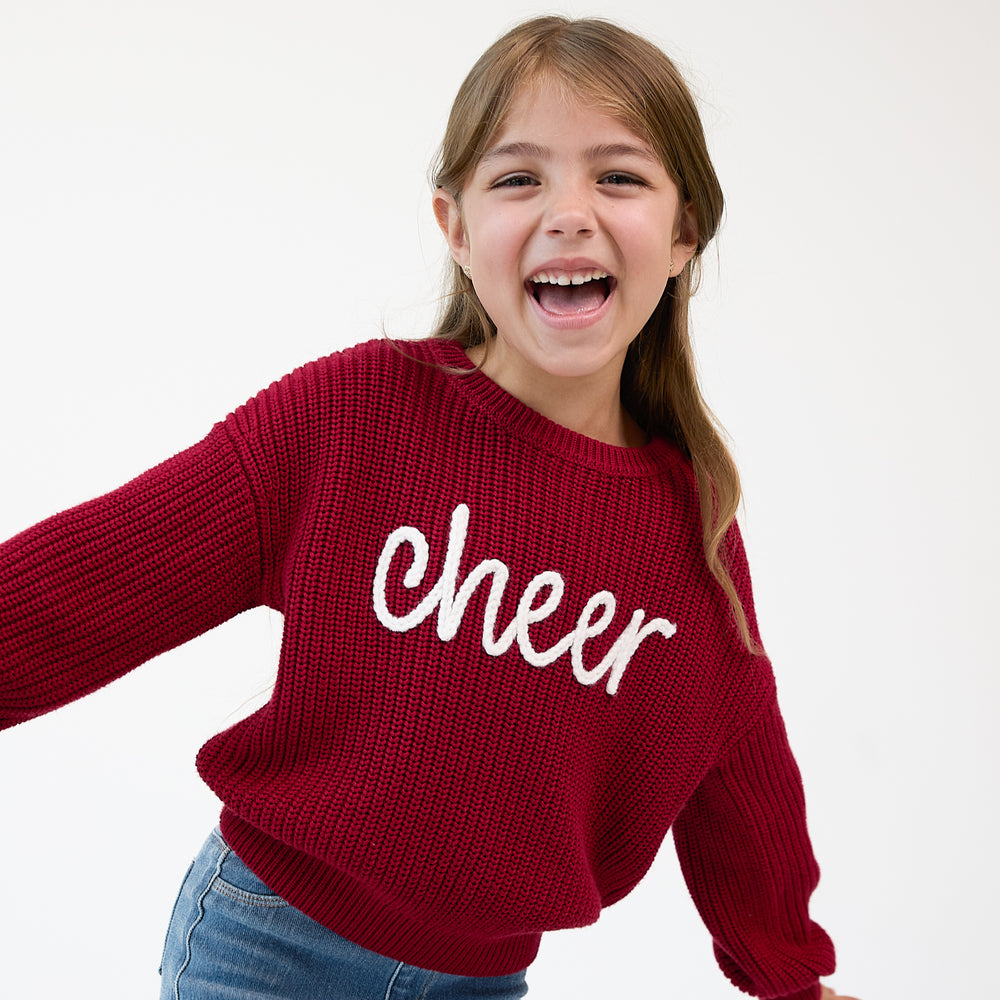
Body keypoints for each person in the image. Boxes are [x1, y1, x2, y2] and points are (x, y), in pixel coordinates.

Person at [0, 16, 861, 1000]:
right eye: (519, 177)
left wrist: (786, 974)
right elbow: (108, 573)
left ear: (682, 234)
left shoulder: (690, 527)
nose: (569, 211)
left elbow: (736, 774)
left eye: (618, 176)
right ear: (455, 227)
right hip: (265, 944)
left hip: (477, 982)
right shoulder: (355, 415)